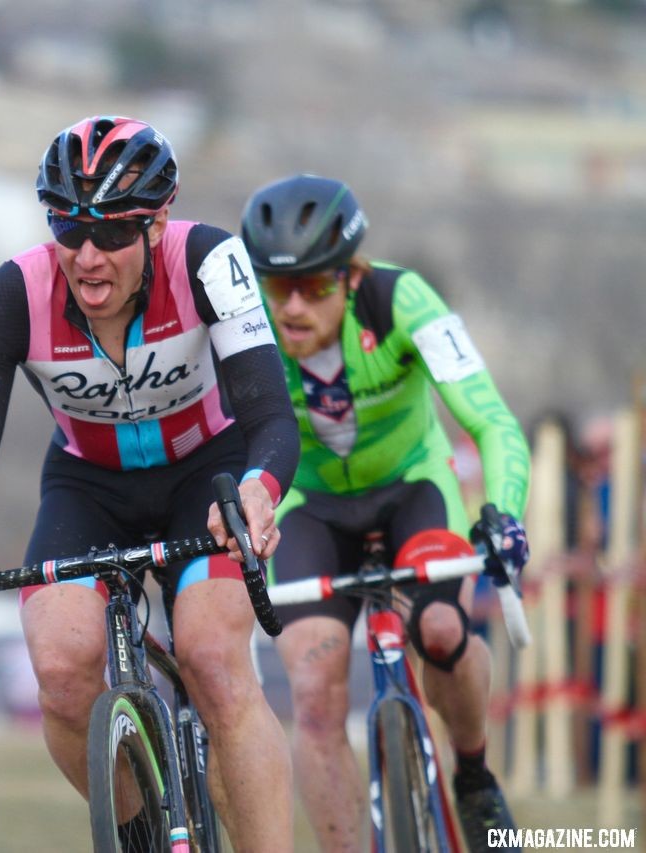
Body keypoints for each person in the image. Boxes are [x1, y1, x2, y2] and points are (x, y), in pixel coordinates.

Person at [0, 116, 300, 849]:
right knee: (61, 671)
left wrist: (259, 487)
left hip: (207, 471)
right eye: (68, 227)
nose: (88, 256)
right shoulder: (10, 296)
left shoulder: (213, 260)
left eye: (115, 234)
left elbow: (273, 418)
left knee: (214, 661)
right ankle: (143, 830)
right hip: (88, 486)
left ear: (158, 223)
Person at [239, 173, 532, 852]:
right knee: (313, 692)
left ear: (352, 275)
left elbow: (491, 421)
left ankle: (473, 770)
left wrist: (502, 512)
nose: (292, 308)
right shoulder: (248, 324)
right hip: (311, 506)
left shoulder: (403, 300)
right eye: (278, 289)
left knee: (437, 626)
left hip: (413, 489)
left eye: (314, 286)